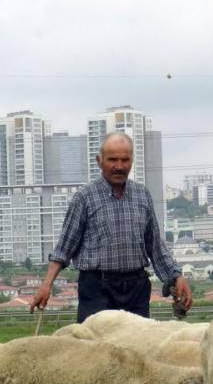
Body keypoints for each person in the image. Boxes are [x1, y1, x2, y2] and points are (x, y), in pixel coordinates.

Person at [29, 131, 192, 322]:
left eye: (125, 160)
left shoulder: (143, 196)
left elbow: (155, 246)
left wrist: (176, 277)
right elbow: (64, 248)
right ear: (99, 161)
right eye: (112, 160)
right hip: (97, 288)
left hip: (136, 288)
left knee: (135, 347)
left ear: (132, 161)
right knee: (94, 346)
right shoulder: (85, 197)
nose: (119, 166)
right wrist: (46, 285)